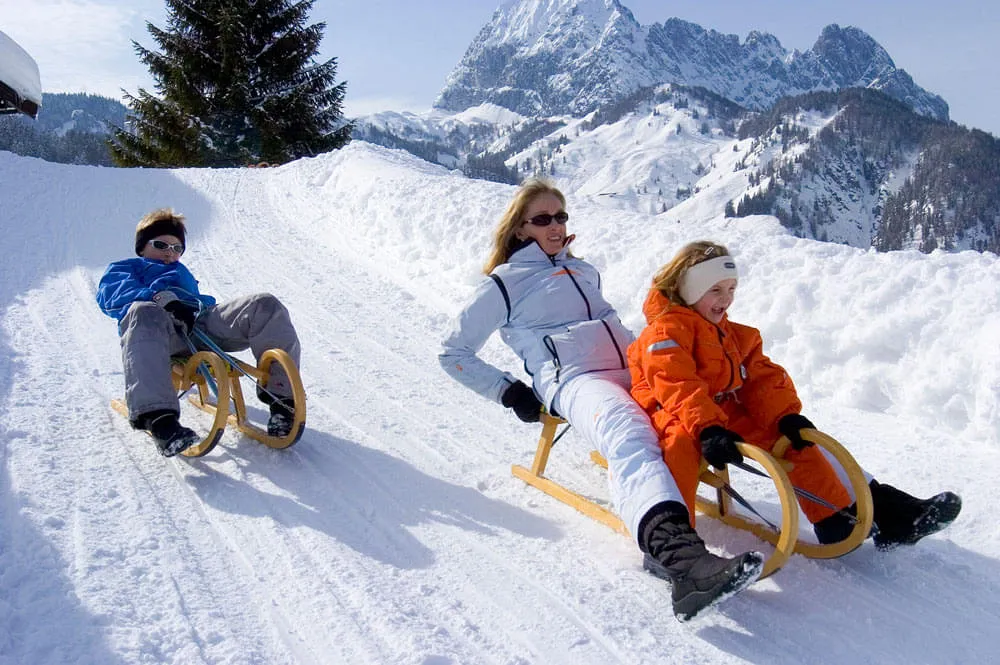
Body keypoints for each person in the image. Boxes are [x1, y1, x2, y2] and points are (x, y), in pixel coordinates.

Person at [439, 179, 763, 621]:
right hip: (577, 379)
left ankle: (846, 495)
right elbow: (451, 351)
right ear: (520, 229)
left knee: (699, 407)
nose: (555, 226)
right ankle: (680, 559)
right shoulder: (503, 284)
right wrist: (508, 390)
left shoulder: (583, 269)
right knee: (629, 433)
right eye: (542, 219)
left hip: (633, 365)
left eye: (561, 216)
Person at [628, 240, 961, 551]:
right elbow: (675, 382)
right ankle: (675, 544)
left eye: (731, 289)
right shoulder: (665, 330)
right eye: (714, 290)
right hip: (670, 410)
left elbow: (762, 378)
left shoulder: (733, 333)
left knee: (795, 442)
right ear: (688, 290)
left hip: (719, 411)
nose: (725, 298)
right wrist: (707, 427)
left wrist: (785, 415)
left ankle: (839, 518)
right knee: (678, 448)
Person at [97, 208, 302, 457]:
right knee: (141, 311)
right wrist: (160, 298)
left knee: (264, 304)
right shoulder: (126, 268)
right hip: (160, 333)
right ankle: (160, 420)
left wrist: (194, 307)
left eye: (176, 248)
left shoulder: (181, 271)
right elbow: (111, 295)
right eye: (161, 245)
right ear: (142, 247)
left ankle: (282, 400)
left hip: (200, 325)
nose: (169, 253)